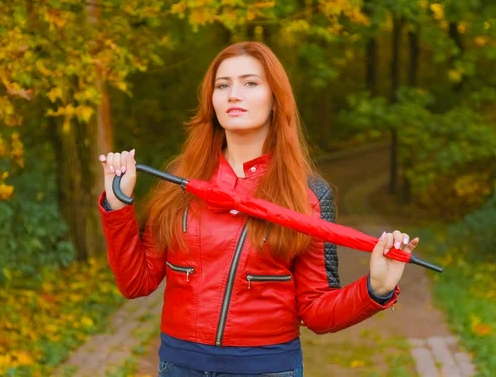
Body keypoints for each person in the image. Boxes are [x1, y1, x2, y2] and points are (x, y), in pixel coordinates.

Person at [97, 41, 420, 377]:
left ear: (275, 99)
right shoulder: (178, 182)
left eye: (250, 83)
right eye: (223, 85)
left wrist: (375, 289)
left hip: (267, 369)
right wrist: (118, 204)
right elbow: (136, 282)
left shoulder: (308, 194)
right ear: (212, 101)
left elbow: (317, 312)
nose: (233, 94)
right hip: (180, 367)